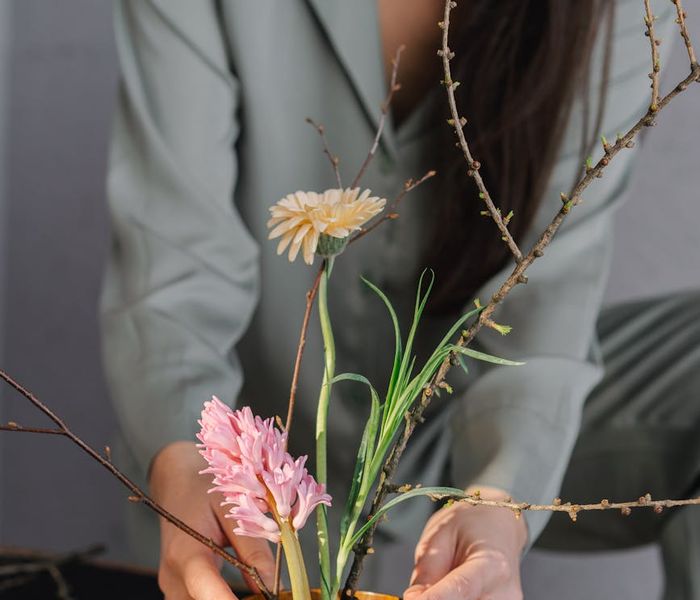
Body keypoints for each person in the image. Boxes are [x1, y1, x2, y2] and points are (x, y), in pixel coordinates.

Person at [101, 1, 699, 599]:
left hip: (469, 416)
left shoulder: (627, 10)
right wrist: (184, 453)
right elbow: (174, 261)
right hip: (258, 466)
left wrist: (500, 498)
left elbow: (546, 285)